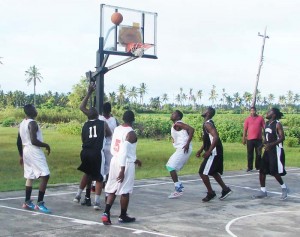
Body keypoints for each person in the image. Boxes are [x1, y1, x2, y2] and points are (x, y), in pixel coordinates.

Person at [73, 83, 112, 210]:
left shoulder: (85, 125)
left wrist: (89, 92)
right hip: (96, 152)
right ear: (96, 114)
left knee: (87, 173)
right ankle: (96, 202)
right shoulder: (103, 123)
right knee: (99, 177)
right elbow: (109, 134)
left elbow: (81, 107)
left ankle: (78, 195)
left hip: (85, 151)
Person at [101, 110, 142, 225]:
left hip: (114, 160)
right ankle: (123, 215)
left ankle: (106, 213)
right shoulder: (131, 133)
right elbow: (124, 152)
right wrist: (122, 170)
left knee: (113, 188)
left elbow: (120, 148)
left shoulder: (117, 129)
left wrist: (135, 159)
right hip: (125, 163)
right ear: (133, 120)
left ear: (123, 119)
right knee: (125, 191)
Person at [17, 104, 51, 213]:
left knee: (30, 175)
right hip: (34, 150)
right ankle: (39, 203)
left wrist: (21, 155)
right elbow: (34, 140)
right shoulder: (32, 123)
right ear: (31, 111)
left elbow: (18, 141)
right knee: (45, 175)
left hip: (26, 150)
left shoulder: (22, 123)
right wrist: (46, 145)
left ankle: (27, 201)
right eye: (35, 109)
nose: (36, 110)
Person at [196, 107, 232, 202]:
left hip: (214, 152)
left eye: (205, 110)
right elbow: (208, 140)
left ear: (208, 113)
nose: (203, 110)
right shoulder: (207, 123)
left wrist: (208, 151)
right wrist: (201, 150)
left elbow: (216, 137)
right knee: (213, 172)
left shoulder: (208, 124)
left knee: (202, 172)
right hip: (213, 150)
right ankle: (225, 189)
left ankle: (211, 192)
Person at [253, 108, 288, 200]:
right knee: (262, 170)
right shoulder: (267, 124)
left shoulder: (277, 124)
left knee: (274, 171)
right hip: (268, 150)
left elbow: (282, 138)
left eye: (269, 112)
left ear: (274, 115)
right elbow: (267, 138)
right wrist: (262, 145)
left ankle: (284, 188)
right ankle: (263, 191)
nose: (267, 113)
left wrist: (271, 144)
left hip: (276, 150)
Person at [91, 102, 119, 192]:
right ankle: (106, 184)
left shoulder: (99, 118)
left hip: (100, 146)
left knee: (99, 167)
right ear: (110, 110)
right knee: (108, 167)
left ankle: (95, 185)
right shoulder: (115, 120)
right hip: (110, 146)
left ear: (102, 110)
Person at [166, 110, 194, 199]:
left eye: (173, 114)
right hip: (181, 148)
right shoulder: (177, 124)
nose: (171, 114)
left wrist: (187, 143)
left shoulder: (178, 124)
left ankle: (178, 189)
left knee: (171, 167)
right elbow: (188, 132)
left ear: (178, 117)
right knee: (169, 166)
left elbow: (192, 129)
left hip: (183, 148)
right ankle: (179, 186)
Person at [242, 106, 265, 172]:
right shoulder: (247, 119)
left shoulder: (260, 118)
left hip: (258, 139)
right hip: (250, 139)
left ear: (256, 111)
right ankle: (250, 167)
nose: (252, 112)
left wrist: (265, 137)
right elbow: (245, 129)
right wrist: (244, 138)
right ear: (250, 111)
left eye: (253, 111)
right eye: (251, 111)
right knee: (250, 154)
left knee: (258, 153)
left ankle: (258, 167)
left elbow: (264, 128)